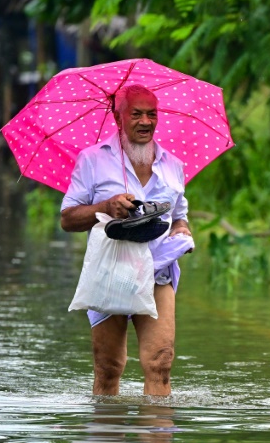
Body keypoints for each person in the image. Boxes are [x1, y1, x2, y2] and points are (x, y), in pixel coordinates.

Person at [60, 84, 193, 396]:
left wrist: (182, 230)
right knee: (108, 367)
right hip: (110, 272)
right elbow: (67, 219)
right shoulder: (92, 160)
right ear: (118, 119)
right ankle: (107, 442)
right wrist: (105, 207)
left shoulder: (173, 165)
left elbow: (180, 213)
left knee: (160, 364)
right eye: (136, 114)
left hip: (158, 270)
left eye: (152, 114)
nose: (145, 121)